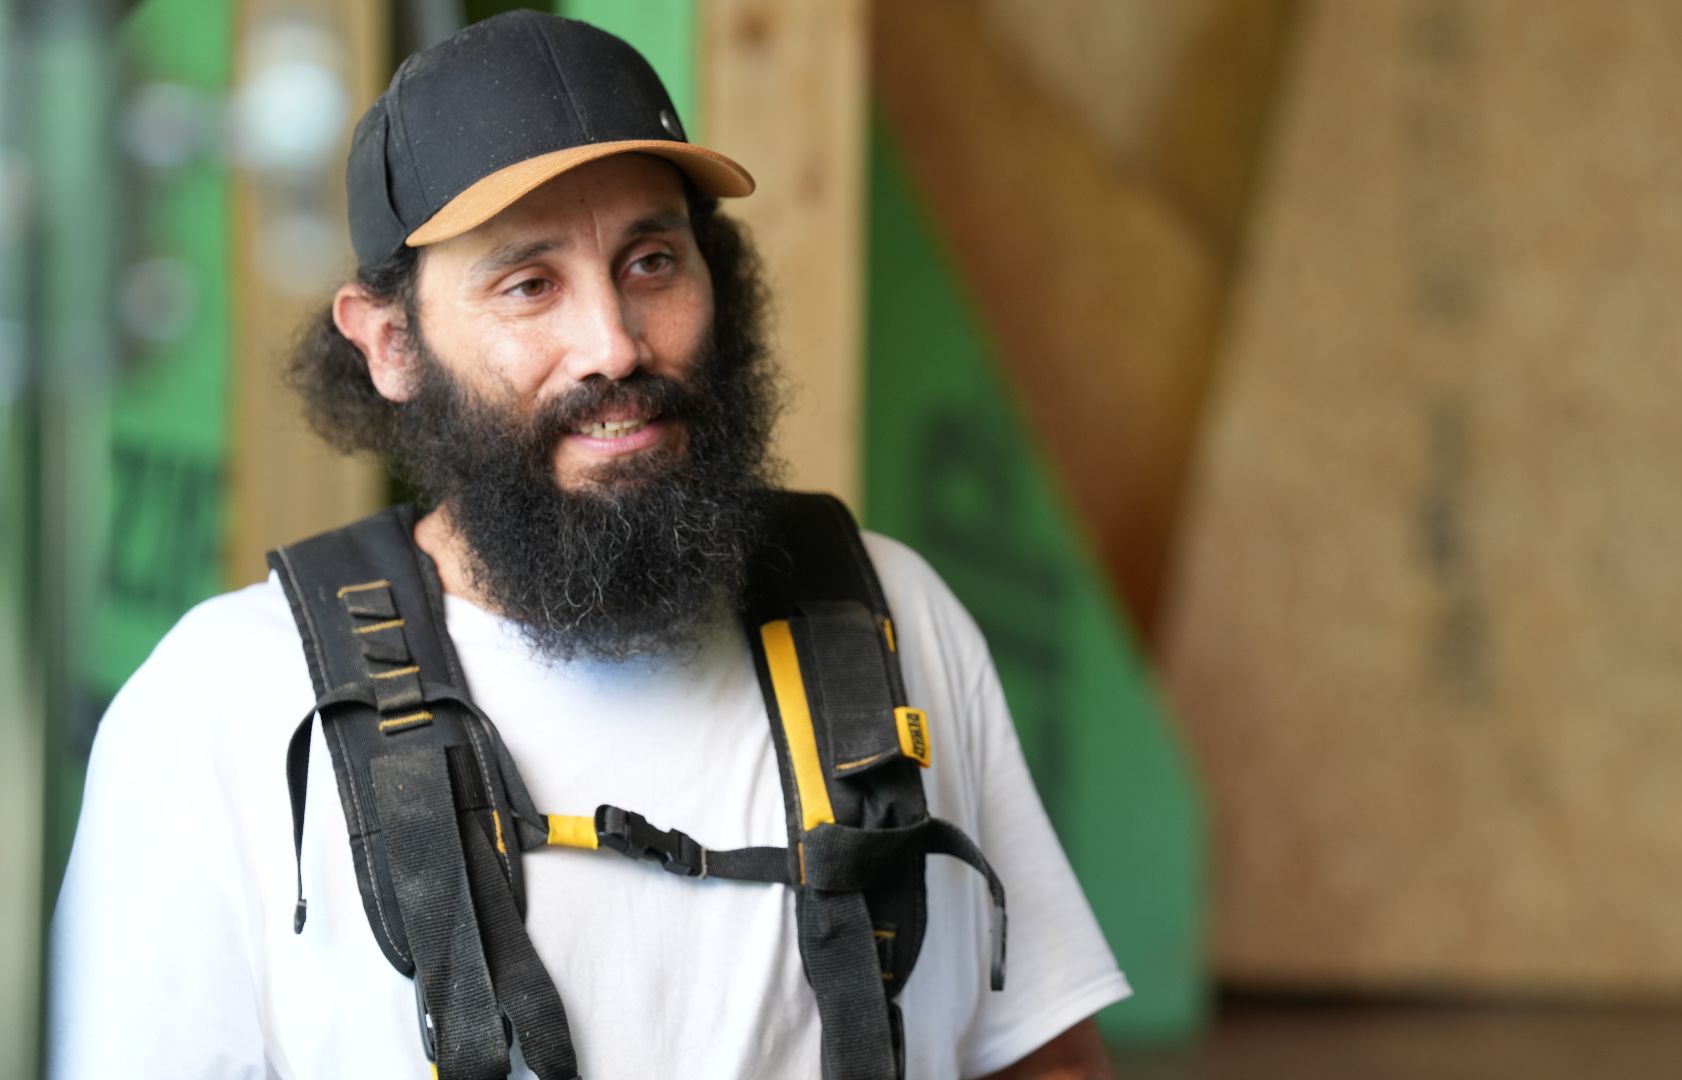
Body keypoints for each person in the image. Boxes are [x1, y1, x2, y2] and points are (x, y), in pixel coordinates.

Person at [48, 11, 1127, 1080]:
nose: (613, 343)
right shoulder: (220, 705)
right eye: (529, 285)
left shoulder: (889, 611)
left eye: (653, 261)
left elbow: (1046, 1060)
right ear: (390, 344)